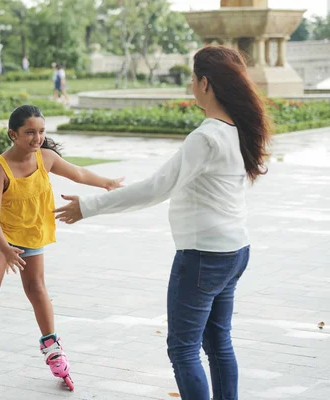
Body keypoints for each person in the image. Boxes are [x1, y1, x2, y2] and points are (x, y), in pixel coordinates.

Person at [53, 46, 272, 400]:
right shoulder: (236, 130)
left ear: (205, 83)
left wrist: (90, 205)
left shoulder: (206, 137)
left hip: (204, 257)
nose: (190, 85)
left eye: (192, 79)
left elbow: (156, 188)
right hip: (234, 252)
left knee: (183, 350)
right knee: (219, 343)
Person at [0, 105, 124, 399]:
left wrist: (106, 183)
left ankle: (52, 347)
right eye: (30, 132)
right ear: (13, 134)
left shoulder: (46, 158)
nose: (37, 138)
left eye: (41, 131)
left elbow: (78, 172)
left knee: (36, 287)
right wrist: (5, 249)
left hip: (31, 229)